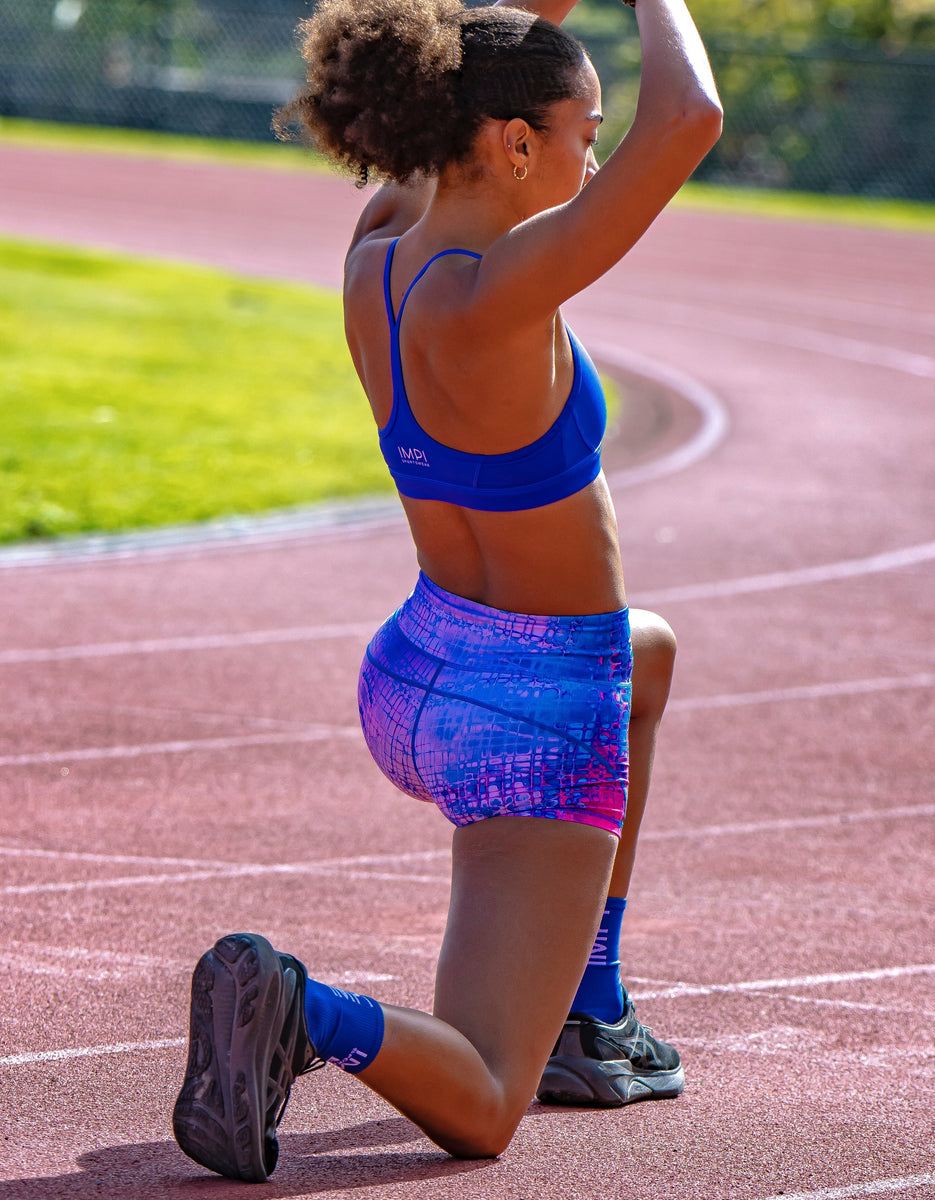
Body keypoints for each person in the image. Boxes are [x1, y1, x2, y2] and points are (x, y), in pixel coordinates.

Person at [172, 0, 721, 1180]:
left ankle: (589, 1008)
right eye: (587, 128)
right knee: (480, 1104)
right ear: (516, 145)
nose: (596, 150)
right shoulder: (506, 287)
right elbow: (693, 119)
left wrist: (529, 28)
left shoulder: (380, 242)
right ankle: (303, 1012)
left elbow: (482, 57)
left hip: (417, 666)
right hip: (527, 719)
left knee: (655, 651)